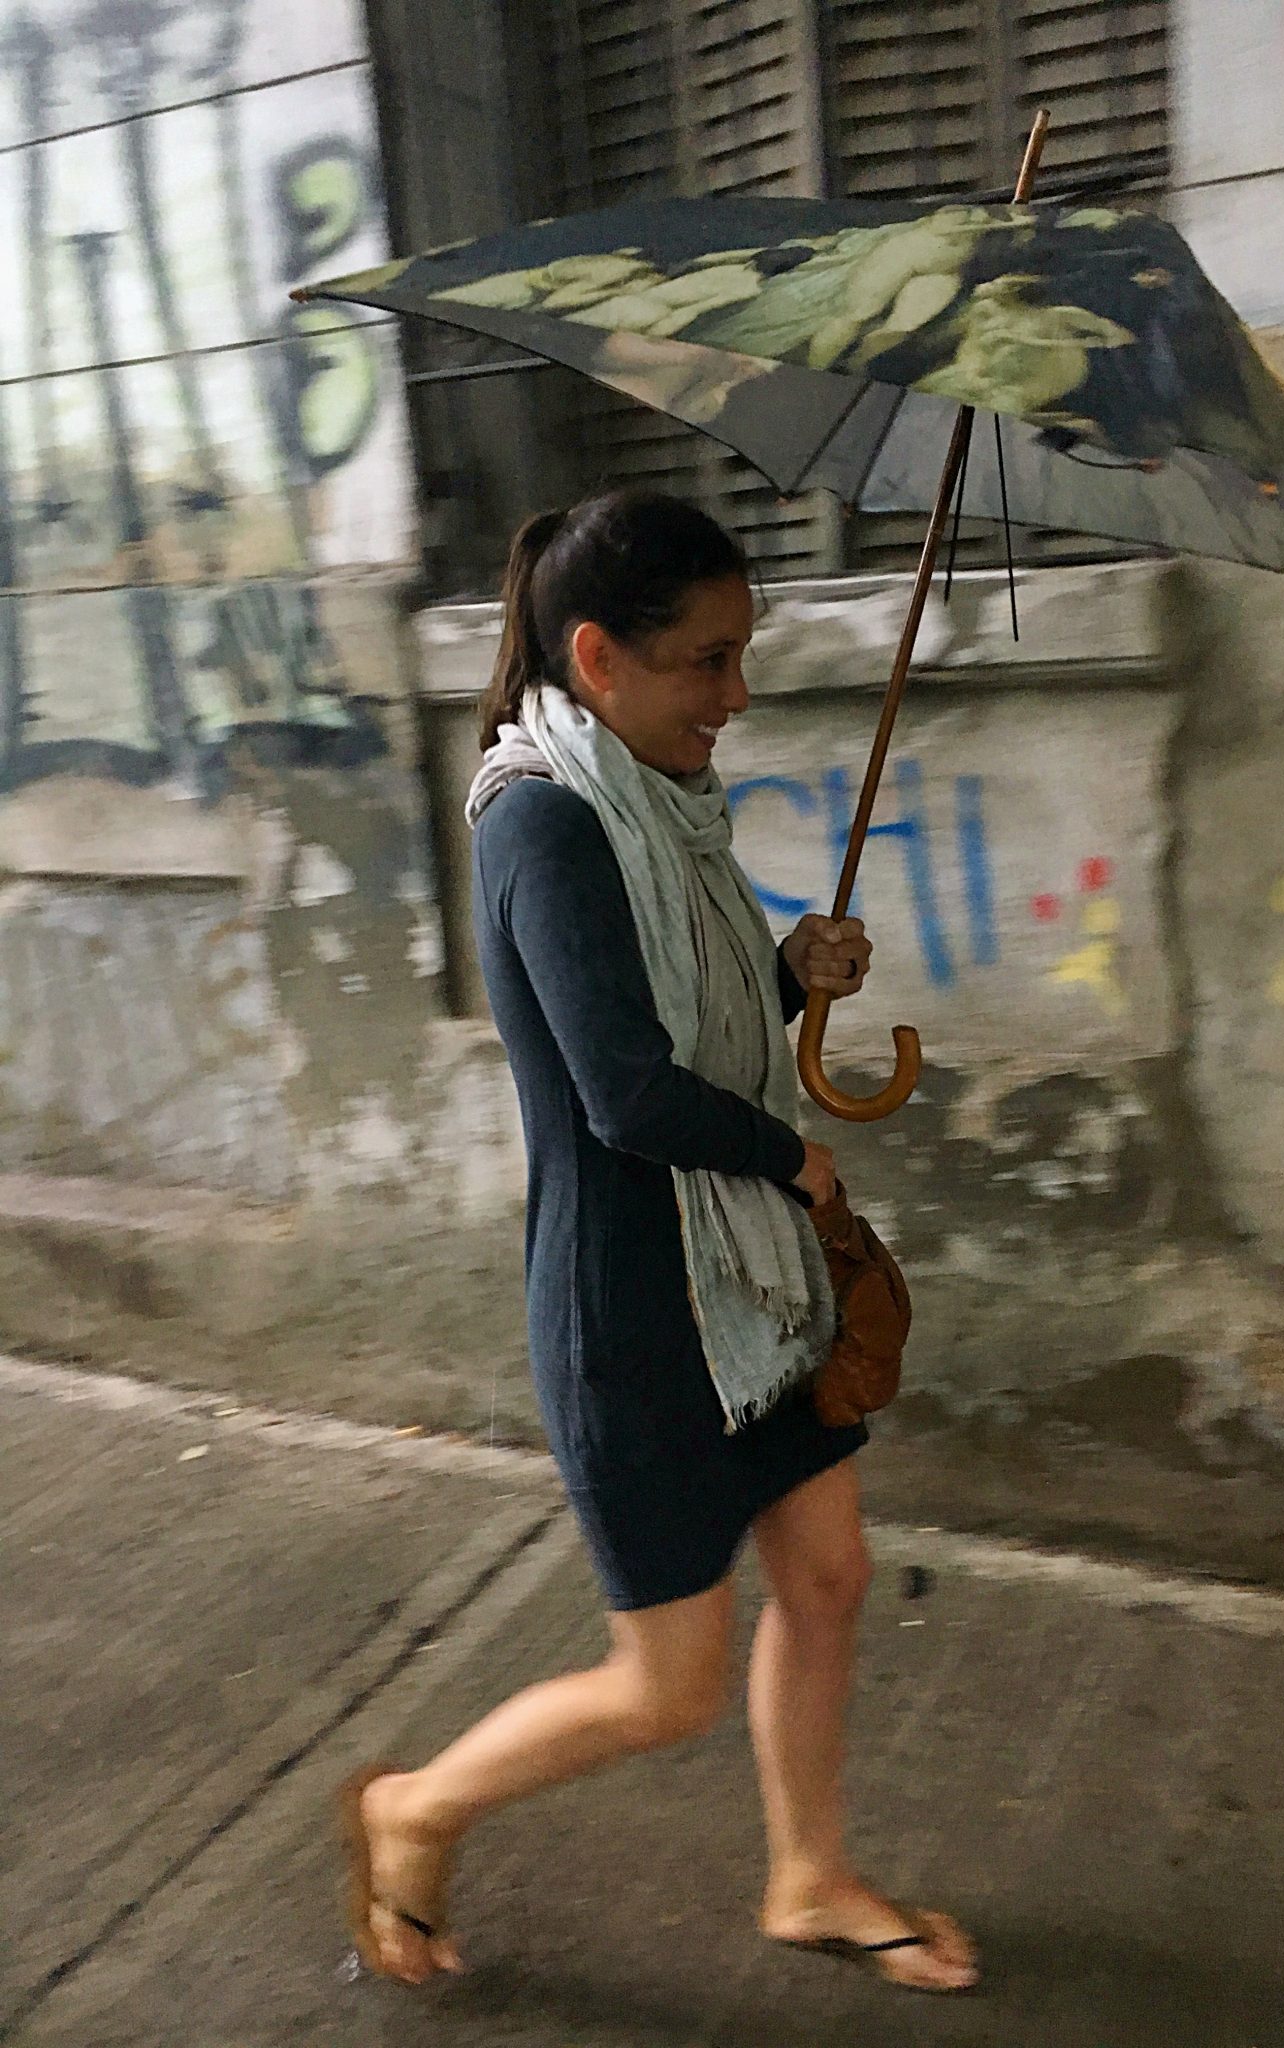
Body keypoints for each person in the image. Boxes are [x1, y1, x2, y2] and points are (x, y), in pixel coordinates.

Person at [340, 490, 978, 1996]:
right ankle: (411, 1809)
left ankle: (810, 1877)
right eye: (707, 660)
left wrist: (786, 970)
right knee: (667, 1685)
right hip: (638, 1312)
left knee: (830, 1580)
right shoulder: (549, 822)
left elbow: (679, 1013)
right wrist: (793, 1159)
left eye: (740, 655)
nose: (736, 694)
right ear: (597, 658)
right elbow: (623, 1090)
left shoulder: (660, 805)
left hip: (745, 1280)